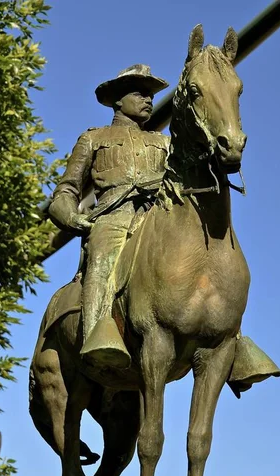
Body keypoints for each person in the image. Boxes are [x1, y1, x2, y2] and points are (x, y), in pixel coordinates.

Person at [49, 65, 170, 369]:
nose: (148, 99)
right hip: (113, 217)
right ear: (118, 100)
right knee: (102, 258)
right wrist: (70, 217)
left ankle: (229, 342)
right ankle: (96, 337)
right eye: (139, 93)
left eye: (151, 94)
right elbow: (66, 190)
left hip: (157, 214)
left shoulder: (164, 142)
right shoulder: (93, 138)